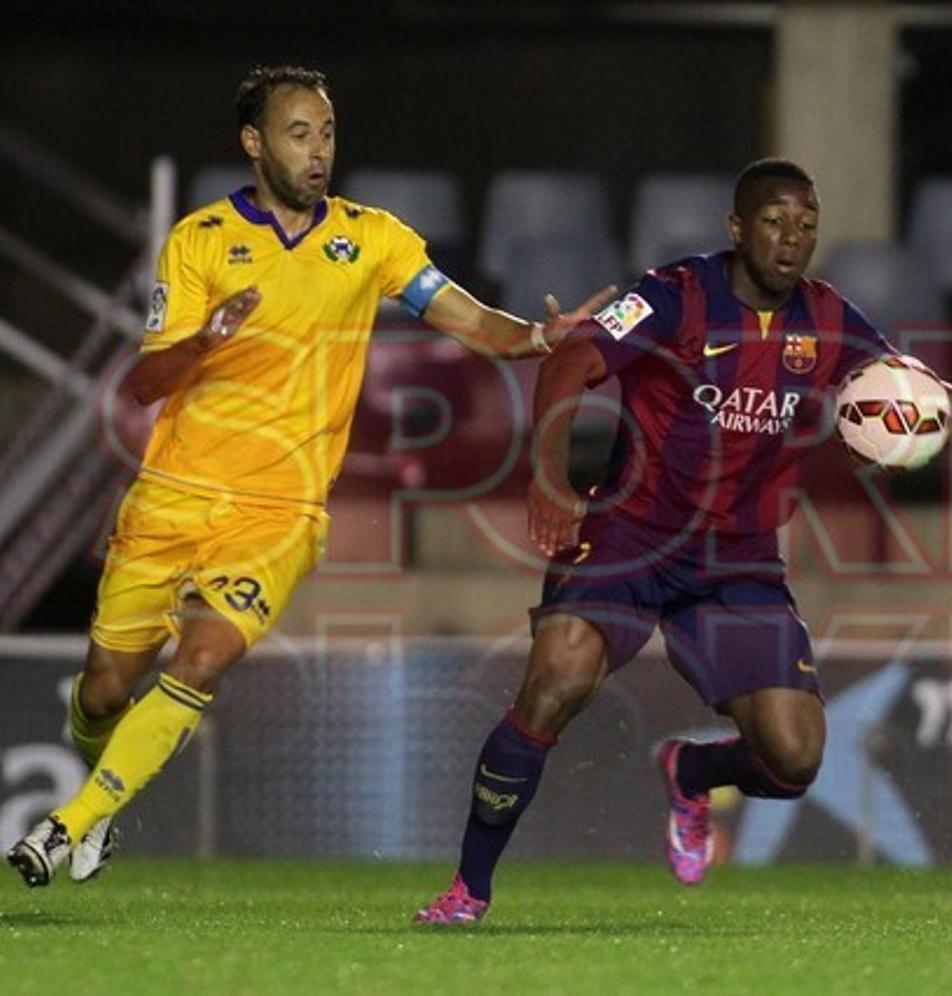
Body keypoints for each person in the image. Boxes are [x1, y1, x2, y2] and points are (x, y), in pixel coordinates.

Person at [415, 158, 952, 923]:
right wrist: (549, 477)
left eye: (806, 225)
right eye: (775, 222)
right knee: (556, 683)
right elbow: (573, 361)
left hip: (736, 559)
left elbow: (922, 400)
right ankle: (468, 888)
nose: (791, 239)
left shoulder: (829, 318)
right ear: (737, 228)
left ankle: (692, 769)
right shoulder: (673, 296)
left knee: (796, 756)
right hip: (631, 537)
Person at [6, 65, 611, 889]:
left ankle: (68, 824)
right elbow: (143, 385)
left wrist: (537, 338)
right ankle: (98, 782)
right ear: (254, 143)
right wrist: (204, 340)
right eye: (299, 133)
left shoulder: (372, 238)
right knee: (105, 693)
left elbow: (470, 320)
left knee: (204, 661)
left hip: (281, 510)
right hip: (173, 495)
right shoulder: (200, 241)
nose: (318, 151)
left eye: (326, 132)